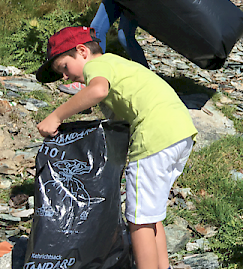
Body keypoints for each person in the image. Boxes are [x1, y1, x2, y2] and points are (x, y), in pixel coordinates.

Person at [35, 26, 198, 269]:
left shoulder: (97, 66)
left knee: (138, 221)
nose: (65, 77)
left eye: (64, 68)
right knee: (150, 216)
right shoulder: (118, 66)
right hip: (179, 132)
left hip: (154, 136)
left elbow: (98, 90)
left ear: (82, 52)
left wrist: (56, 117)